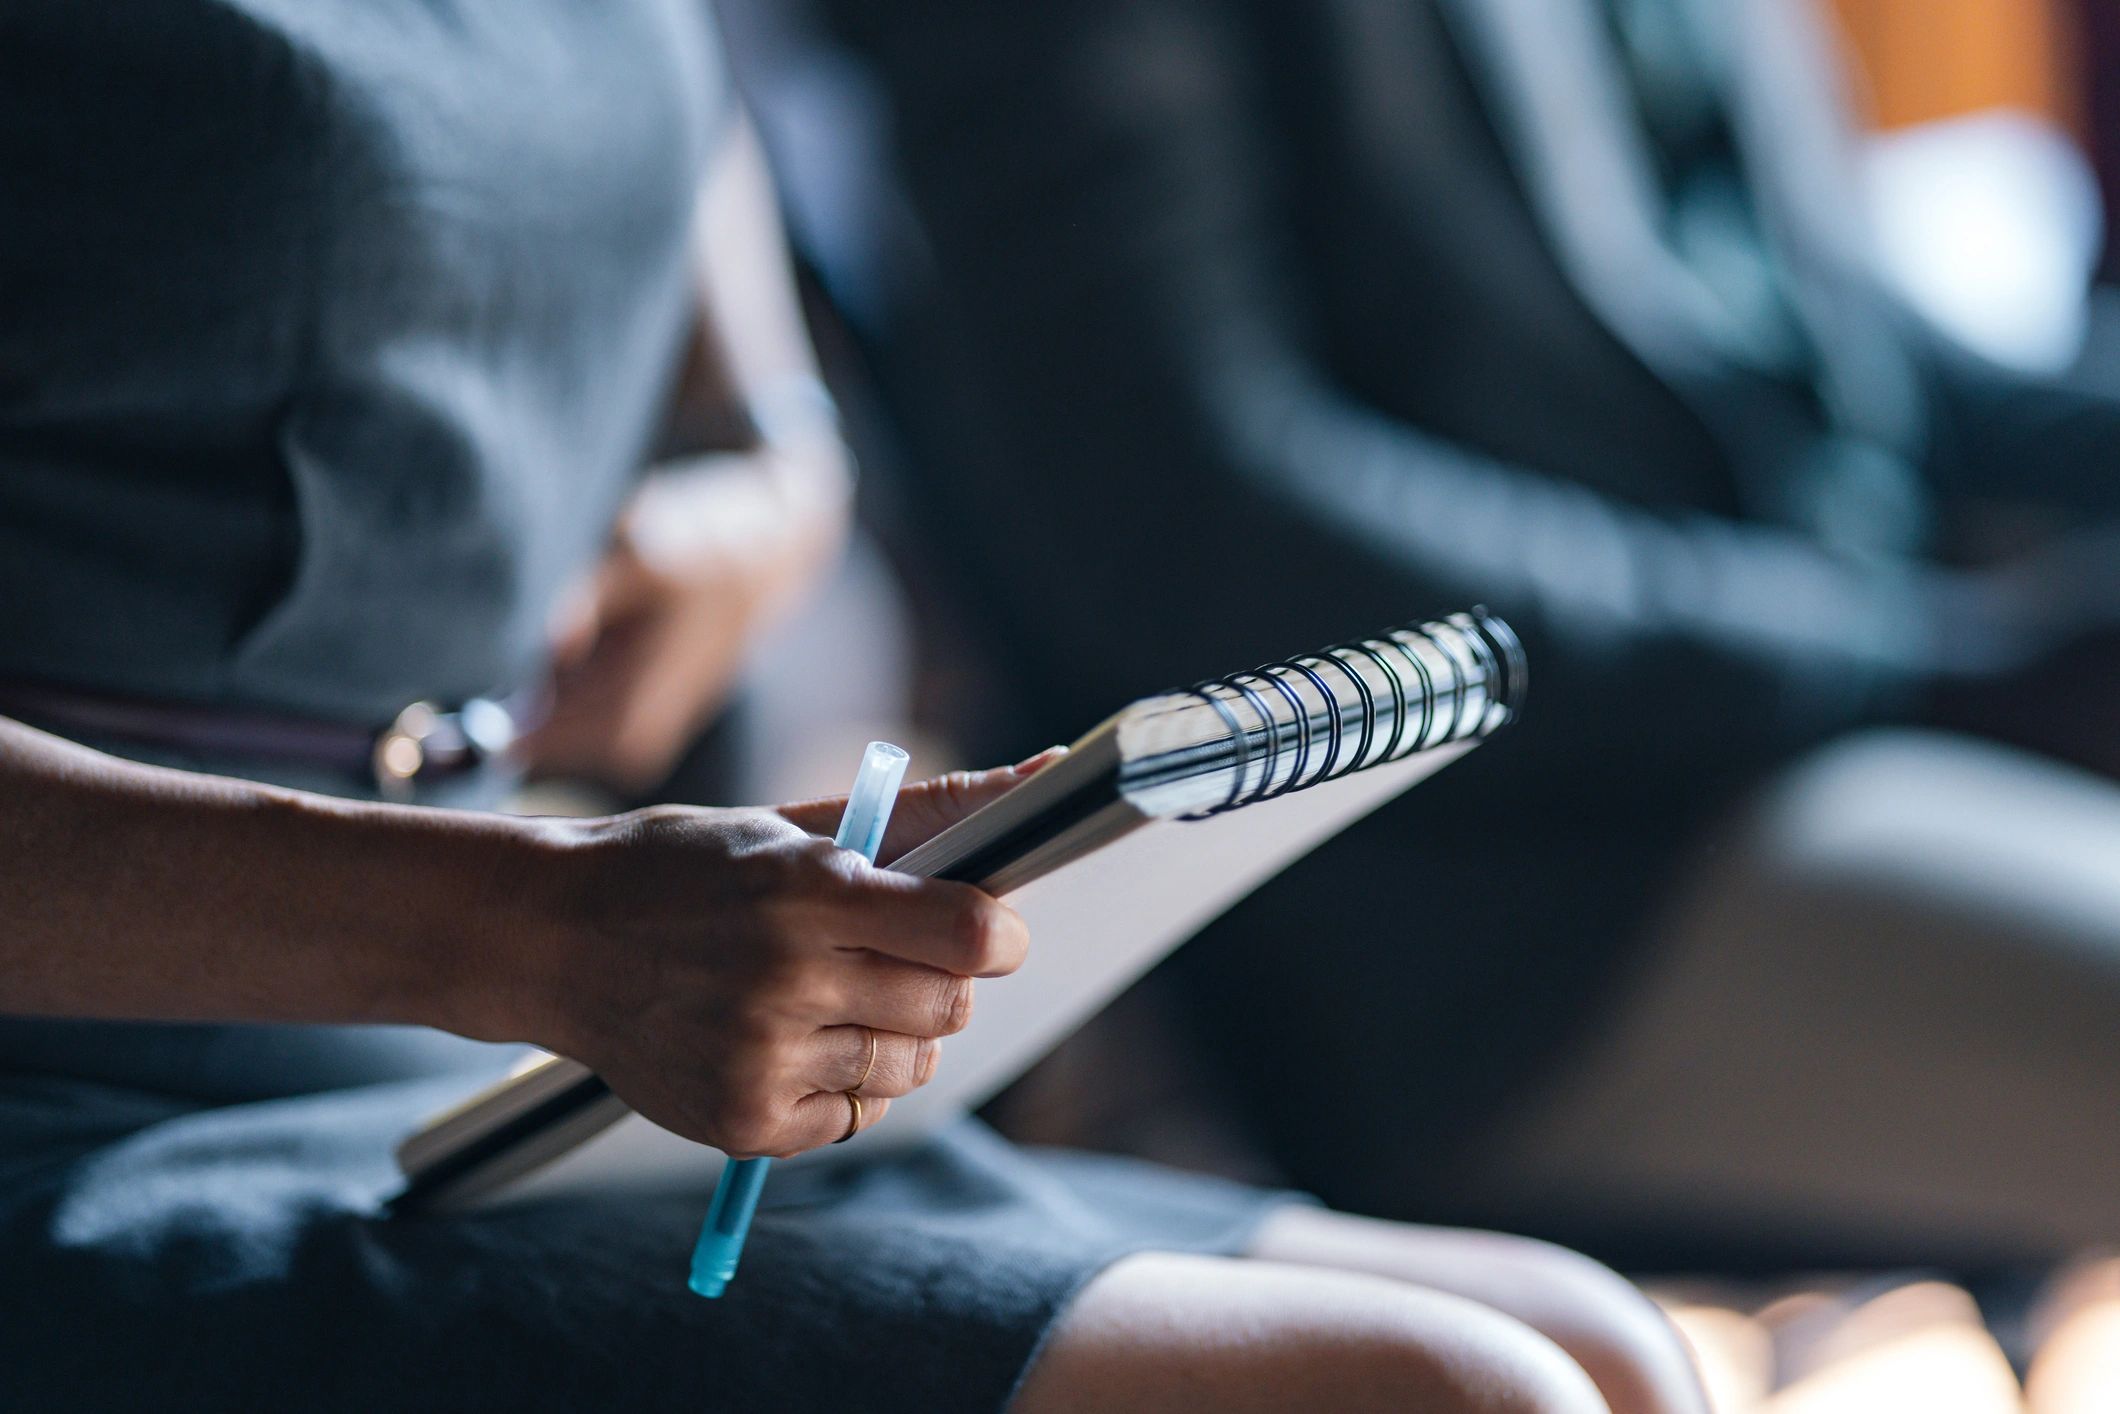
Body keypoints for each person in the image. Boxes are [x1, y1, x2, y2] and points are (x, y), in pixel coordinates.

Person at [0, 4, 1707, 1409]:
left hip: (472, 1053)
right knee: (1450, 1397)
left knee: (1598, 1349)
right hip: (112, 1076)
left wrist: (741, 516)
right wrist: (529, 925)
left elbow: (754, 416)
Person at [789, 0, 2120, 1263]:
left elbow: (1813, 329)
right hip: (1510, 892)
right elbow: (1201, 535)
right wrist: (1918, 662)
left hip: (1805, 720)